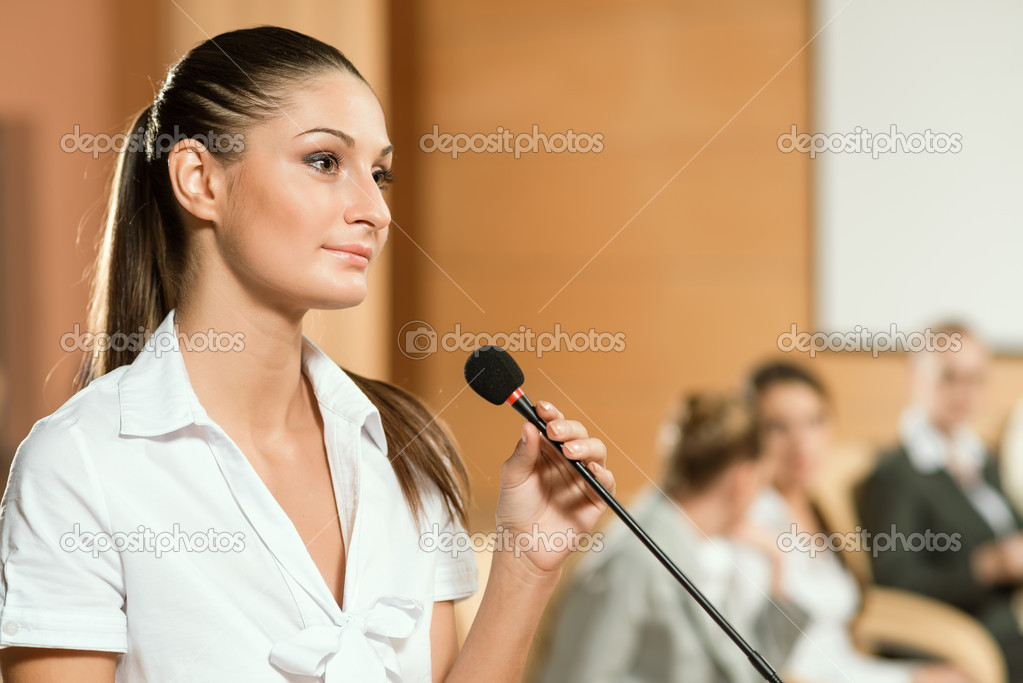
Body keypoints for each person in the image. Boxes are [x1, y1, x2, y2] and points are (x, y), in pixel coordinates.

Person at [0, 27, 616, 682]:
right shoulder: (79, 466)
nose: (375, 209)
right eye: (324, 161)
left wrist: (526, 560)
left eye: (379, 174)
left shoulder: (404, 446)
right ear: (199, 179)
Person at [532, 392, 806, 683]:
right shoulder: (633, 559)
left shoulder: (701, 549)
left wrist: (777, 562)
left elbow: (748, 672)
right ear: (743, 480)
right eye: (763, 483)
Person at [744, 360, 967, 683]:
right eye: (778, 426)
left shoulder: (820, 507)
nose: (800, 441)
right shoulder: (753, 522)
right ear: (750, 436)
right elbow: (759, 656)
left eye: (814, 422)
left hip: (850, 670)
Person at [857, 325, 1023, 681]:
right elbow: (898, 582)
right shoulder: (897, 475)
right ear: (915, 379)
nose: (964, 392)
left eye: (975, 379)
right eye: (949, 378)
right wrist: (987, 567)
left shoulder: (980, 459)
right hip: (969, 631)